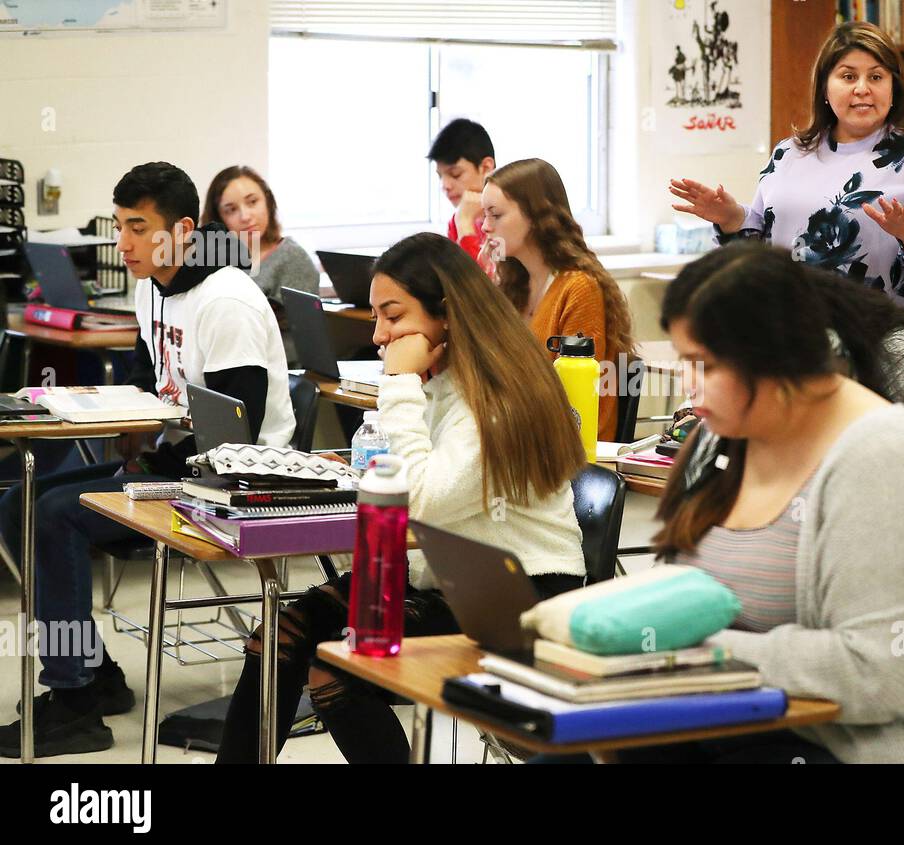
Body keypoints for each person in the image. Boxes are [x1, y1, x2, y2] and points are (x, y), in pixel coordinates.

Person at [587, 242, 904, 763]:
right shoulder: (723, 437)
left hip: (850, 745)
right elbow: (678, 592)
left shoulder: (886, 460)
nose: (688, 387)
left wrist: (694, 656)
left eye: (705, 365)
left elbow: (875, 675)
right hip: (726, 723)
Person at [216, 232, 590, 764]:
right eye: (376, 318)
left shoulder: (498, 398)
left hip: (519, 597)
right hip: (452, 579)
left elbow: (420, 501)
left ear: (448, 315)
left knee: (336, 660)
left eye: (392, 316)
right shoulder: (443, 382)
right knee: (282, 632)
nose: (378, 336)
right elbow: (401, 483)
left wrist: (397, 382)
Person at [0, 161, 295, 758]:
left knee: (56, 513)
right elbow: (146, 378)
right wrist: (111, 416)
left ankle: (75, 703)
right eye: (119, 225)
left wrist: (156, 461)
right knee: (16, 505)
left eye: (138, 227)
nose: (123, 242)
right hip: (177, 467)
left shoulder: (226, 301)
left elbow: (238, 430)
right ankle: (93, 673)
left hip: (237, 485)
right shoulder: (150, 287)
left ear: (182, 230)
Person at [669, 21, 904, 321]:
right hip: (795, 337)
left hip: (883, 342)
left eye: (876, 77)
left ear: (893, 88)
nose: (862, 89)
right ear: (825, 89)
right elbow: (761, 256)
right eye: (848, 76)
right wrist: (731, 217)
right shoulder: (788, 154)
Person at [480, 158, 636, 441]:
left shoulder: (579, 288)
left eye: (496, 215)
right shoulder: (515, 285)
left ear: (535, 216)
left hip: (568, 455)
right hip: (519, 441)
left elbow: (572, 402)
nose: (485, 227)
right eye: (484, 216)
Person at [201, 165, 320, 307]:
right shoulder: (209, 261)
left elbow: (298, 326)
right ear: (219, 219)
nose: (245, 216)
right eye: (231, 210)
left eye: (252, 202)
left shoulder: (293, 258)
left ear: (268, 202)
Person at [427, 118, 496, 267]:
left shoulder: (505, 217)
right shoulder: (456, 220)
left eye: (455, 174)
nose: (445, 185)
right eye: (440, 176)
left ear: (486, 167)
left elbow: (489, 285)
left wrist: (465, 224)